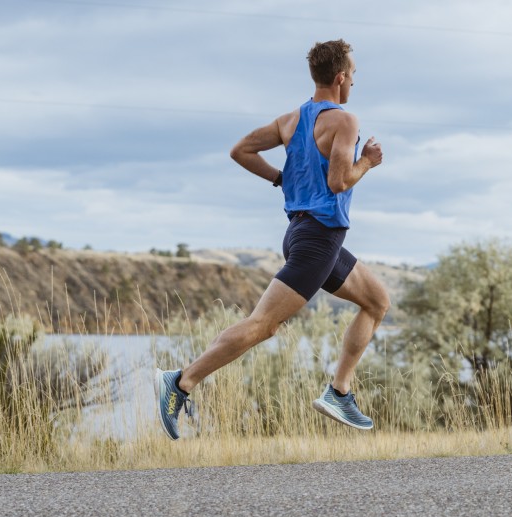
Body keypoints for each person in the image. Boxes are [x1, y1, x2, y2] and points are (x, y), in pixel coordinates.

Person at [154, 39, 389, 440]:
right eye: (353, 77)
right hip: (318, 238)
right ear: (340, 78)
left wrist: (281, 178)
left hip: (305, 234)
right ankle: (180, 383)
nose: (353, 84)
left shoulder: (289, 121)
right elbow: (338, 181)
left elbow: (240, 150)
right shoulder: (345, 121)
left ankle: (339, 391)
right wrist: (366, 161)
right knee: (263, 325)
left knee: (376, 301)